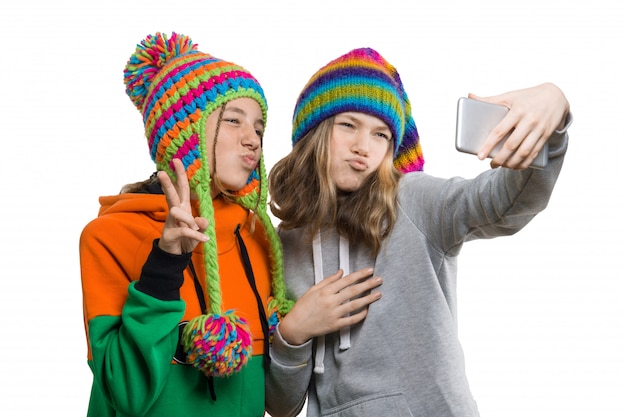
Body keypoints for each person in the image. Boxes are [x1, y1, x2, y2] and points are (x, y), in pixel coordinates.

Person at [265, 47, 572, 417]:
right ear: (314, 132)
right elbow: (282, 406)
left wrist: (552, 115)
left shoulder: (412, 200)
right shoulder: (282, 246)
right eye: (348, 125)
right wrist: (293, 333)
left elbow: (504, 204)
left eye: (381, 135)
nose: (363, 147)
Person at [79, 32, 293, 417]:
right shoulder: (109, 236)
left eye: (259, 127)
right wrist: (163, 268)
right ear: (181, 138)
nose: (253, 141)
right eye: (233, 120)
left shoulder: (257, 236)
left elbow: (279, 401)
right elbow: (123, 392)